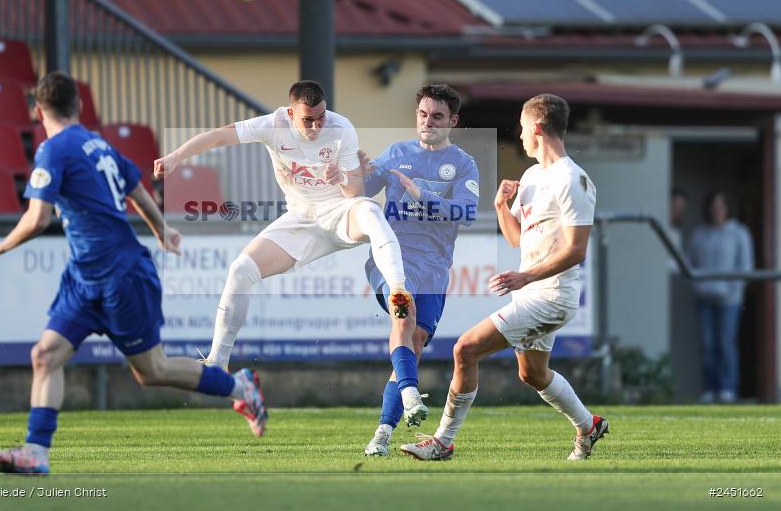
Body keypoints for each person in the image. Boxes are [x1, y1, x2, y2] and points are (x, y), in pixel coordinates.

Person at [0, 72, 267, 475]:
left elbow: (37, 218)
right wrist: (162, 230)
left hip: (121, 273)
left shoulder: (54, 150)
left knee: (151, 371)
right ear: (78, 106)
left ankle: (239, 386)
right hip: (84, 276)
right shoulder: (97, 144)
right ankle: (36, 452)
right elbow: (136, 188)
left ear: (39, 111)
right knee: (45, 355)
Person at [155, 80, 427, 426]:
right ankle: (218, 363)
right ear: (289, 113)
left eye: (320, 117)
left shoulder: (341, 127)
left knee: (371, 212)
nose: (315, 126)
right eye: (307, 120)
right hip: (300, 220)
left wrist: (341, 175)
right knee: (241, 269)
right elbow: (220, 135)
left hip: (339, 212)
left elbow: (355, 191)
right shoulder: (273, 125)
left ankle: (399, 290)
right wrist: (176, 156)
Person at [401, 93, 608, 462]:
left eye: (524, 127)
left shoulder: (573, 179)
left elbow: (577, 250)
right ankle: (587, 426)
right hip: (532, 294)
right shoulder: (531, 176)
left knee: (465, 349)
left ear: (539, 128)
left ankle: (443, 442)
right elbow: (517, 238)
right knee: (532, 374)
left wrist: (526, 277)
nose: (521, 134)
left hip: (552, 297)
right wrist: (500, 206)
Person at [360, 84, 479, 456]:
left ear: (452, 121)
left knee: (414, 341)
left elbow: (468, 212)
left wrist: (422, 196)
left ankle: (382, 432)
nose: (428, 121)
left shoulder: (462, 163)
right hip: (392, 259)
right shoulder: (397, 153)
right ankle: (412, 395)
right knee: (404, 314)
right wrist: (352, 175)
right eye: (423, 114)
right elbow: (361, 191)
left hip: (434, 269)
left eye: (437, 116)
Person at [687, 191, 753, 404]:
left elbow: (745, 266)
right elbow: (688, 263)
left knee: (725, 343)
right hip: (704, 297)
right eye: (713, 206)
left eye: (720, 206)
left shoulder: (739, 233)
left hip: (729, 300)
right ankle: (710, 388)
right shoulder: (699, 234)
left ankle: (727, 388)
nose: (716, 210)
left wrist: (733, 289)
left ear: (727, 208)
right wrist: (698, 286)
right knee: (707, 345)